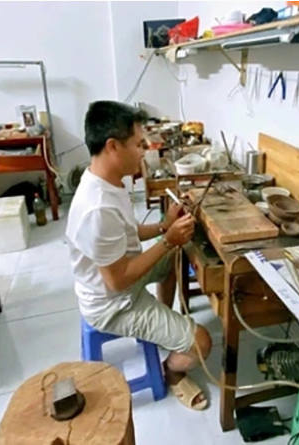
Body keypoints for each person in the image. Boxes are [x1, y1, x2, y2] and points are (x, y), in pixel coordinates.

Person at [66, 101, 212, 410]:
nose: (143, 151)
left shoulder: (106, 182)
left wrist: (163, 227)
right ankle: (171, 372)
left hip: (118, 282)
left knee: (176, 255)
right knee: (202, 343)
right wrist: (168, 240)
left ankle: (163, 327)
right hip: (113, 304)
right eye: (137, 144)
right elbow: (118, 281)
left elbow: (127, 231)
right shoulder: (97, 207)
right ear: (112, 146)